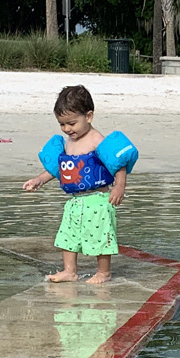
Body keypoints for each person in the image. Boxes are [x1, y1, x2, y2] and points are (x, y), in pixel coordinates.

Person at [22, 84, 137, 283]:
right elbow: (60, 170)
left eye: (72, 123)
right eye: (62, 125)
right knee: (67, 236)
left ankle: (103, 272)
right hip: (75, 201)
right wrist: (39, 179)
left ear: (89, 116)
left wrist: (119, 186)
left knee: (101, 235)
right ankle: (69, 271)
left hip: (98, 200)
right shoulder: (68, 143)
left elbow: (118, 164)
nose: (67, 129)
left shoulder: (96, 140)